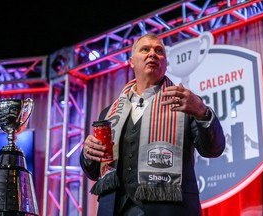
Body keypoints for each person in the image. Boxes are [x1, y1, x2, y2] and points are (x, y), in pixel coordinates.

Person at [80, 33, 225, 216]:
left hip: (169, 210)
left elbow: (214, 149)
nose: (153, 54)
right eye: (145, 49)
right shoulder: (110, 113)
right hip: (115, 209)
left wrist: (202, 112)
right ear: (132, 61)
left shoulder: (186, 103)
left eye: (159, 51)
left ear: (165, 63)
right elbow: (93, 172)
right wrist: (88, 153)